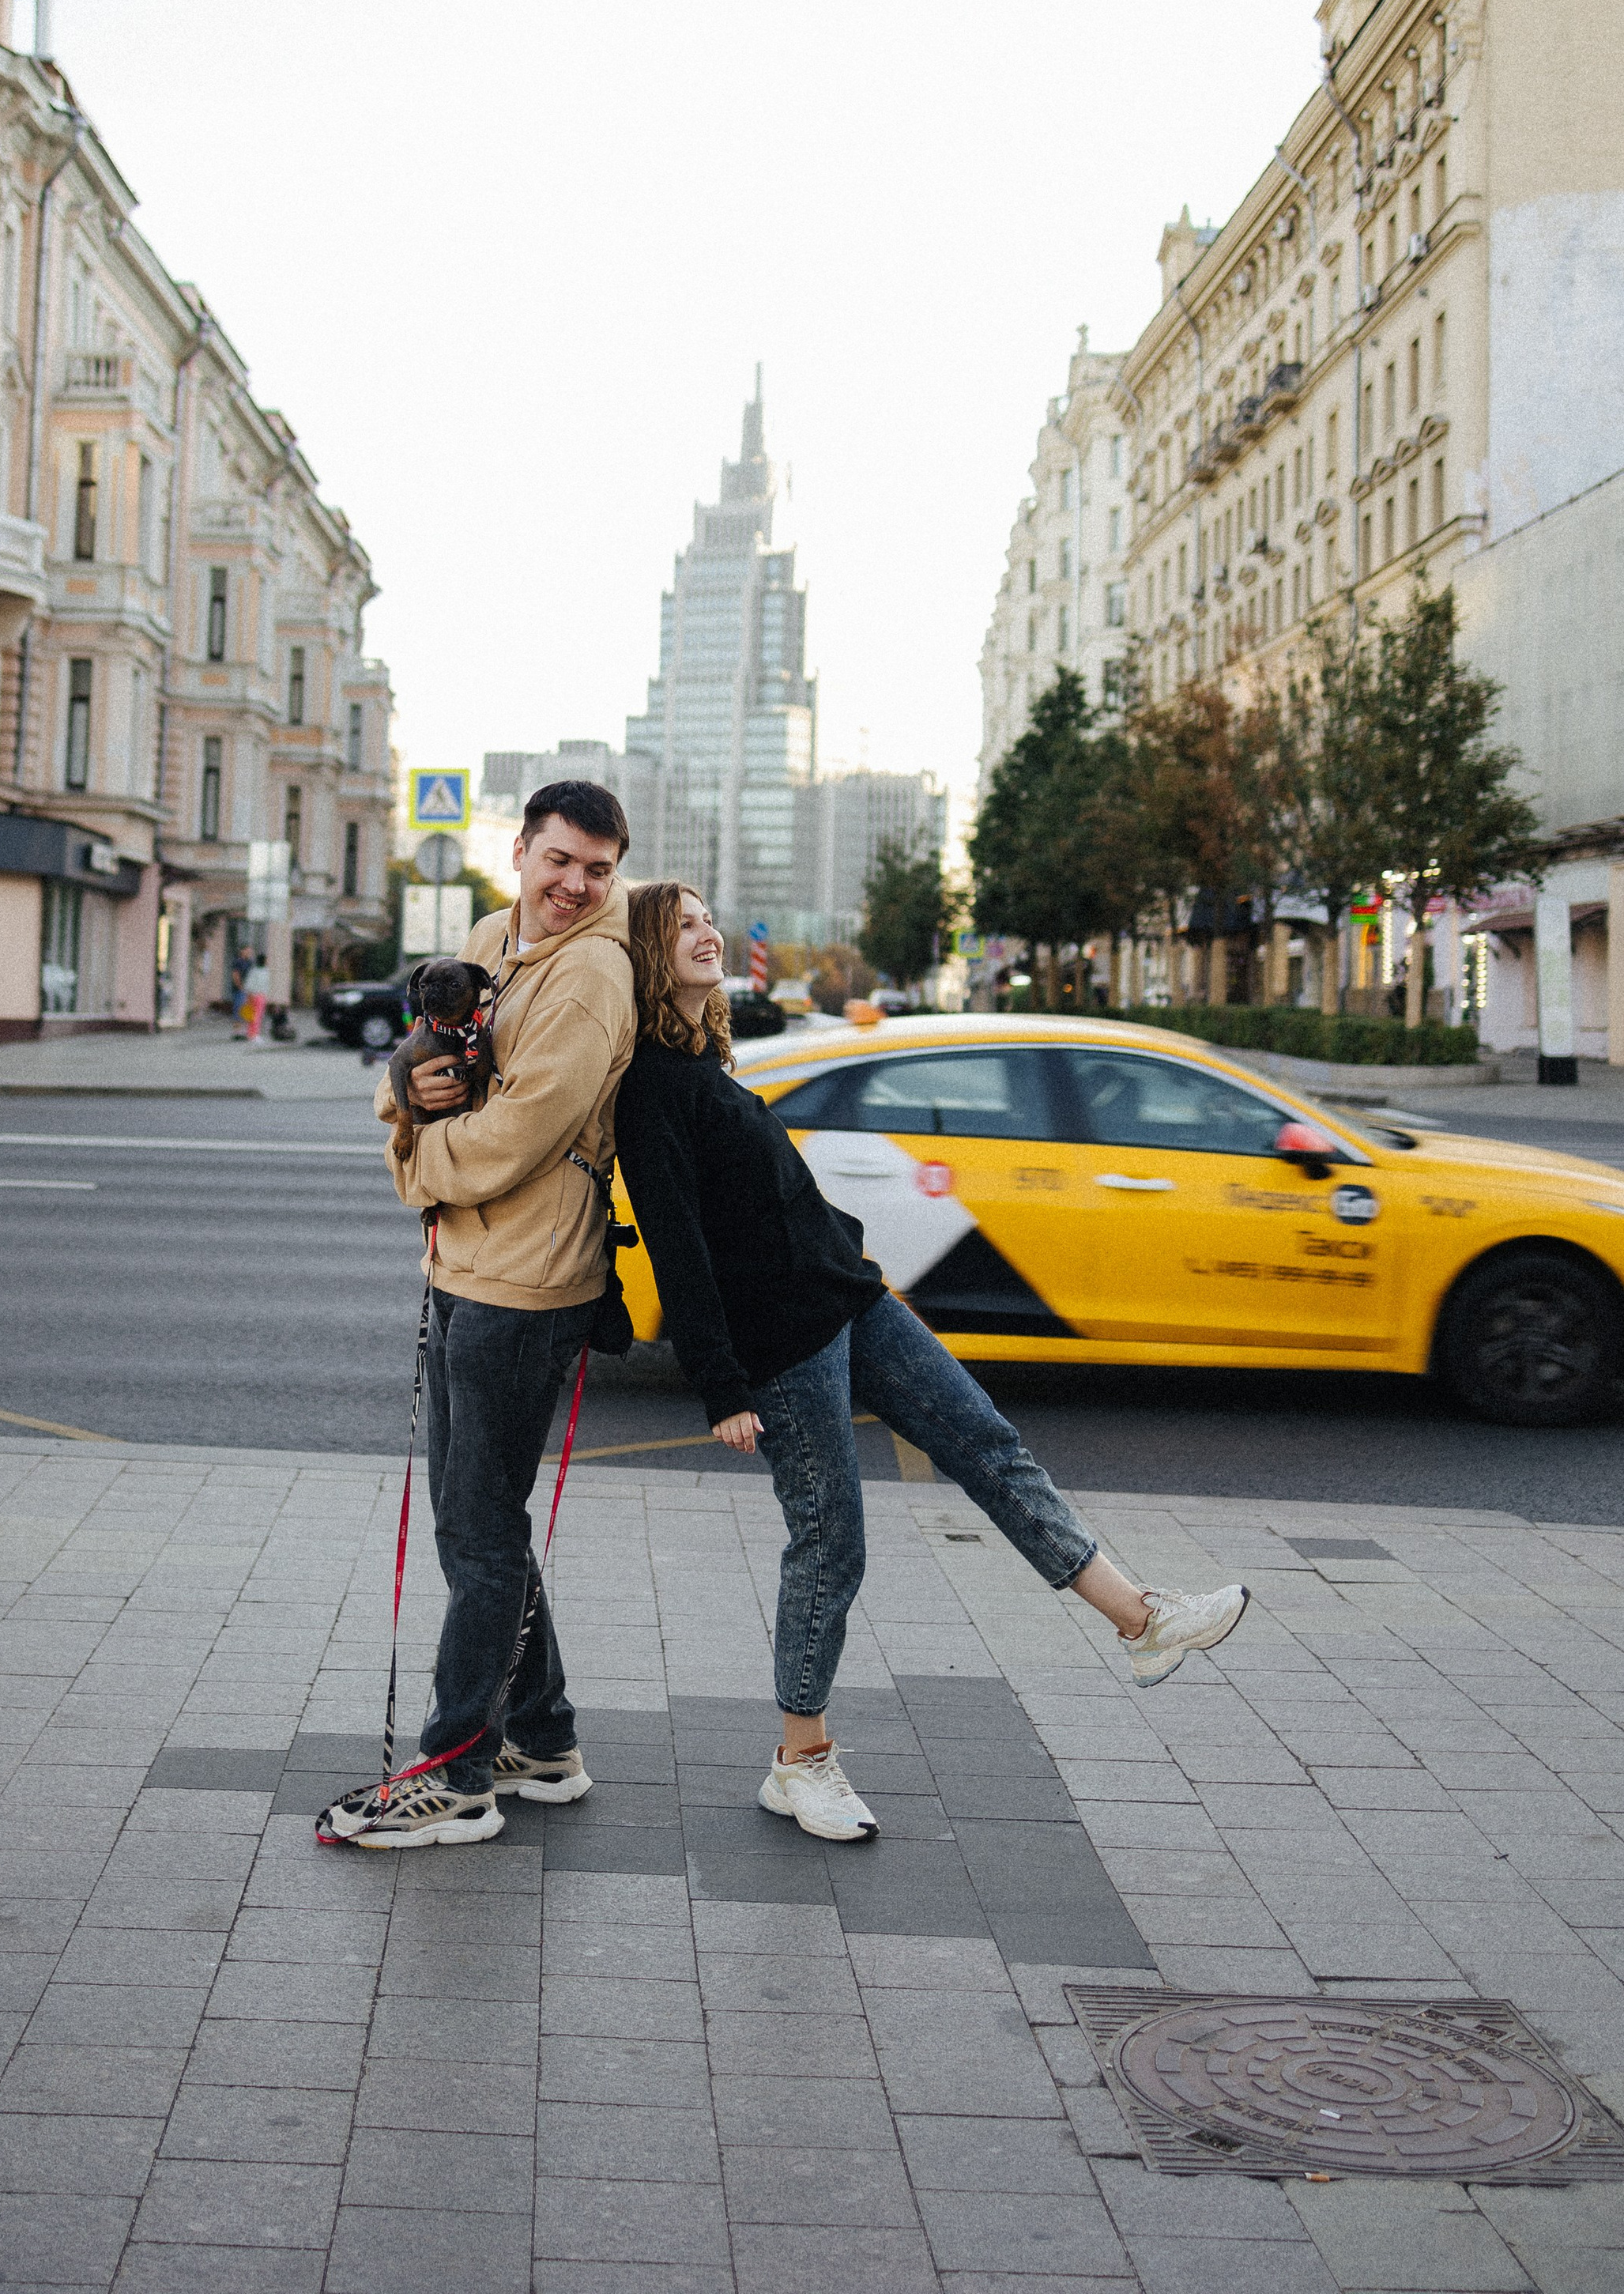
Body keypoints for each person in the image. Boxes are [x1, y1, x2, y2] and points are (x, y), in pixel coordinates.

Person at [614, 881, 1250, 1843]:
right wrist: (721, 1382)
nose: (704, 934)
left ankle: (1141, 1620)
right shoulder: (656, 1084)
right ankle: (801, 1760)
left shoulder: (708, 1059)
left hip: (849, 1303)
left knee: (990, 1445)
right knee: (831, 1544)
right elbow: (678, 1241)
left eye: (707, 919)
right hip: (782, 1347)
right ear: (648, 958)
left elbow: (772, 1202)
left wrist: (849, 1259)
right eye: (681, 926)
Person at [322, 779, 636, 1849]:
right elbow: (419, 1063)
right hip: (470, 1264)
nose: (576, 886)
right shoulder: (492, 939)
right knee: (479, 1517)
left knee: (479, 1529)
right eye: (560, 861)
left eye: (597, 869)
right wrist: (407, 1099)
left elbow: (516, 1141)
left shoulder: (594, 975)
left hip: (530, 1282)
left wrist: (414, 1164)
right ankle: (541, 1743)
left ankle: (457, 1772)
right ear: (522, 851)